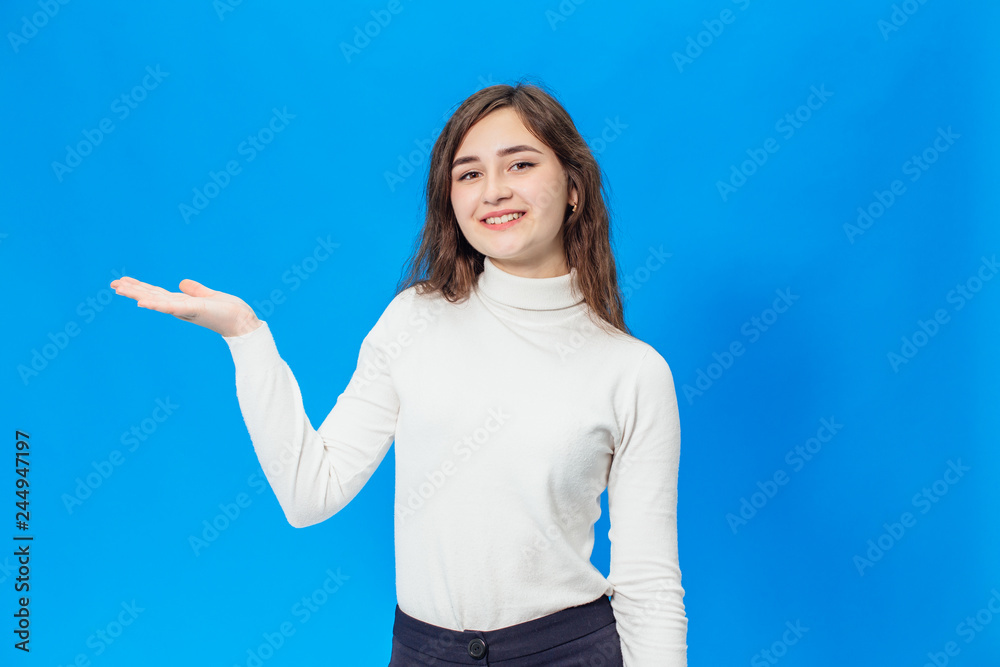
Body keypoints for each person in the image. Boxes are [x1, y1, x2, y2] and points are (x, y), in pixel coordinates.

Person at [110, 80, 688, 665]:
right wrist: (246, 338)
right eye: (468, 174)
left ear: (574, 188)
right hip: (421, 651)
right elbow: (310, 493)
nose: (494, 191)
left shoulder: (633, 372)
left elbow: (649, 583)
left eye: (520, 163)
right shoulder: (415, 318)